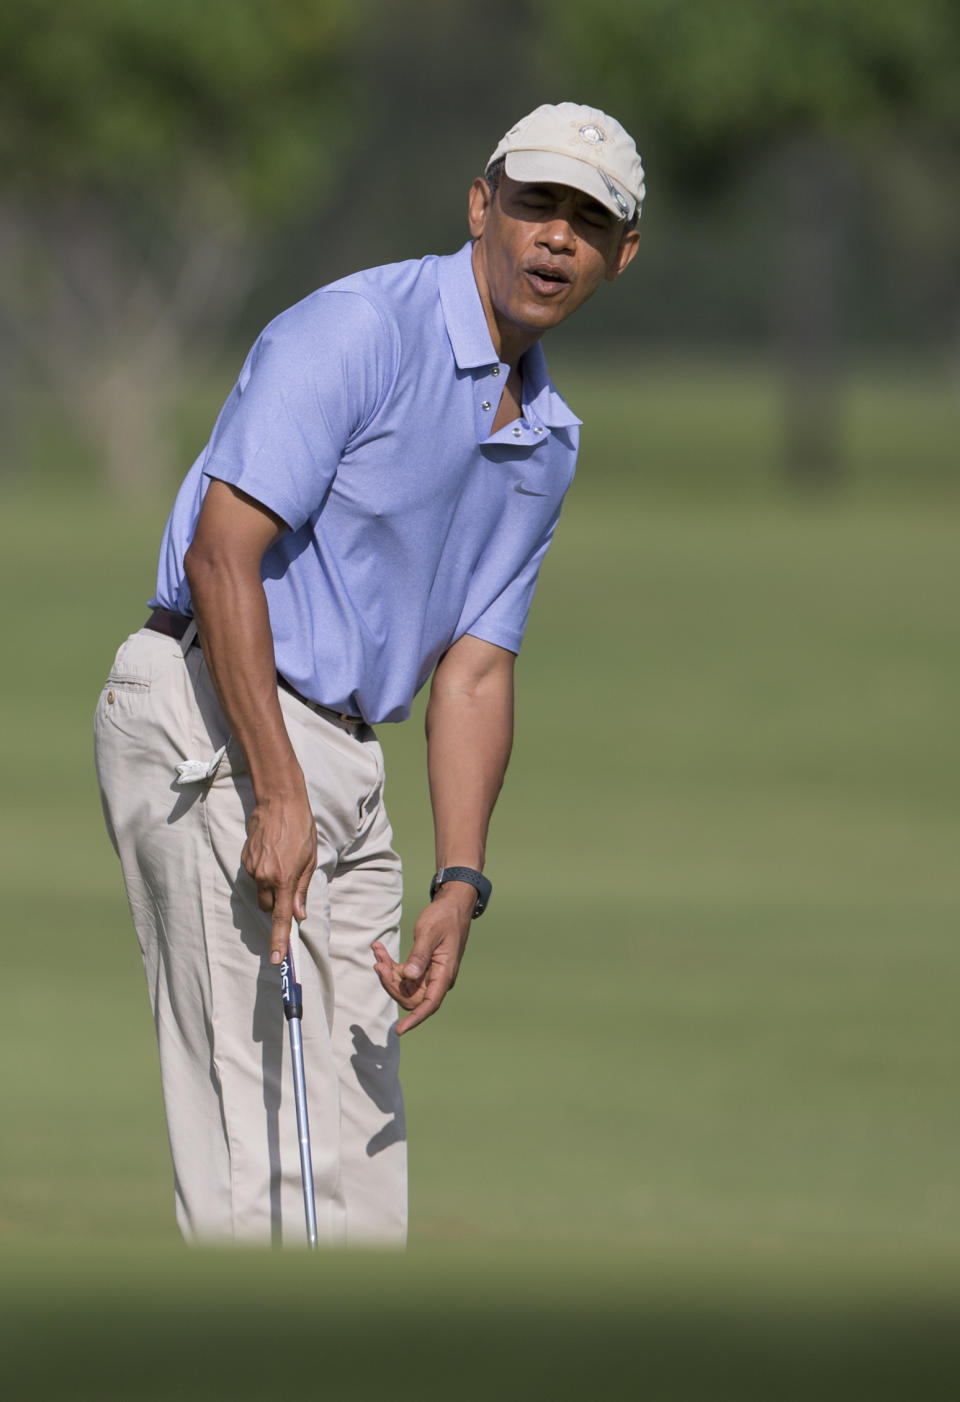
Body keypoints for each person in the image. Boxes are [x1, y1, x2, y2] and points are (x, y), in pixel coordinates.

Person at [94, 102, 644, 1247]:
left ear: (620, 256)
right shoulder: (359, 330)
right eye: (536, 203)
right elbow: (221, 553)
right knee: (265, 1163)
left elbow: (478, 670)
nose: (554, 238)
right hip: (214, 708)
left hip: (344, 748)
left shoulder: (548, 436)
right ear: (481, 205)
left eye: (587, 222)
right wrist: (278, 790)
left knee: (358, 1163)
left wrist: (459, 880)